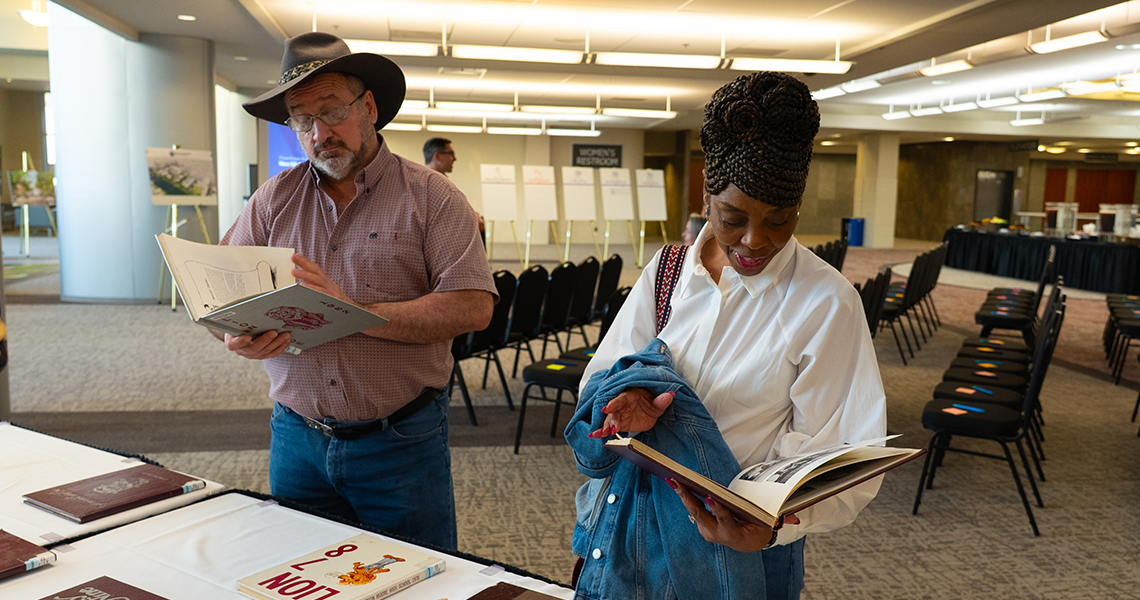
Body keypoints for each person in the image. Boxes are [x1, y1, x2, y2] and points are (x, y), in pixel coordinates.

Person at [566, 72, 887, 599]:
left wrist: (773, 523)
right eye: (733, 218)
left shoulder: (826, 302)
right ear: (707, 196)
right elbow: (599, 382)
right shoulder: (669, 272)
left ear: (798, 208)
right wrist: (626, 399)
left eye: (778, 221)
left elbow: (844, 453)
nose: (754, 241)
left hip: (742, 549)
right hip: (633, 531)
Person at [219, 32, 495, 551]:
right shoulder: (273, 199)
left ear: (368, 107)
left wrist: (351, 312)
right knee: (303, 574)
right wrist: (234, 335)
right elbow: (222, 294)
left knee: (415, 583)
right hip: (296, 439)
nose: (320, 133)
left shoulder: (433, 198)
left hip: (399, 442)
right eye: (302, 120)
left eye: (332, 111)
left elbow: (473, 305)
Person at [424, 137, 485, 235]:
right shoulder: (429, 185)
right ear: (438, 156)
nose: (455, 159)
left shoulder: (440, 183)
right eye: (451, 154)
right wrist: (472, 216)